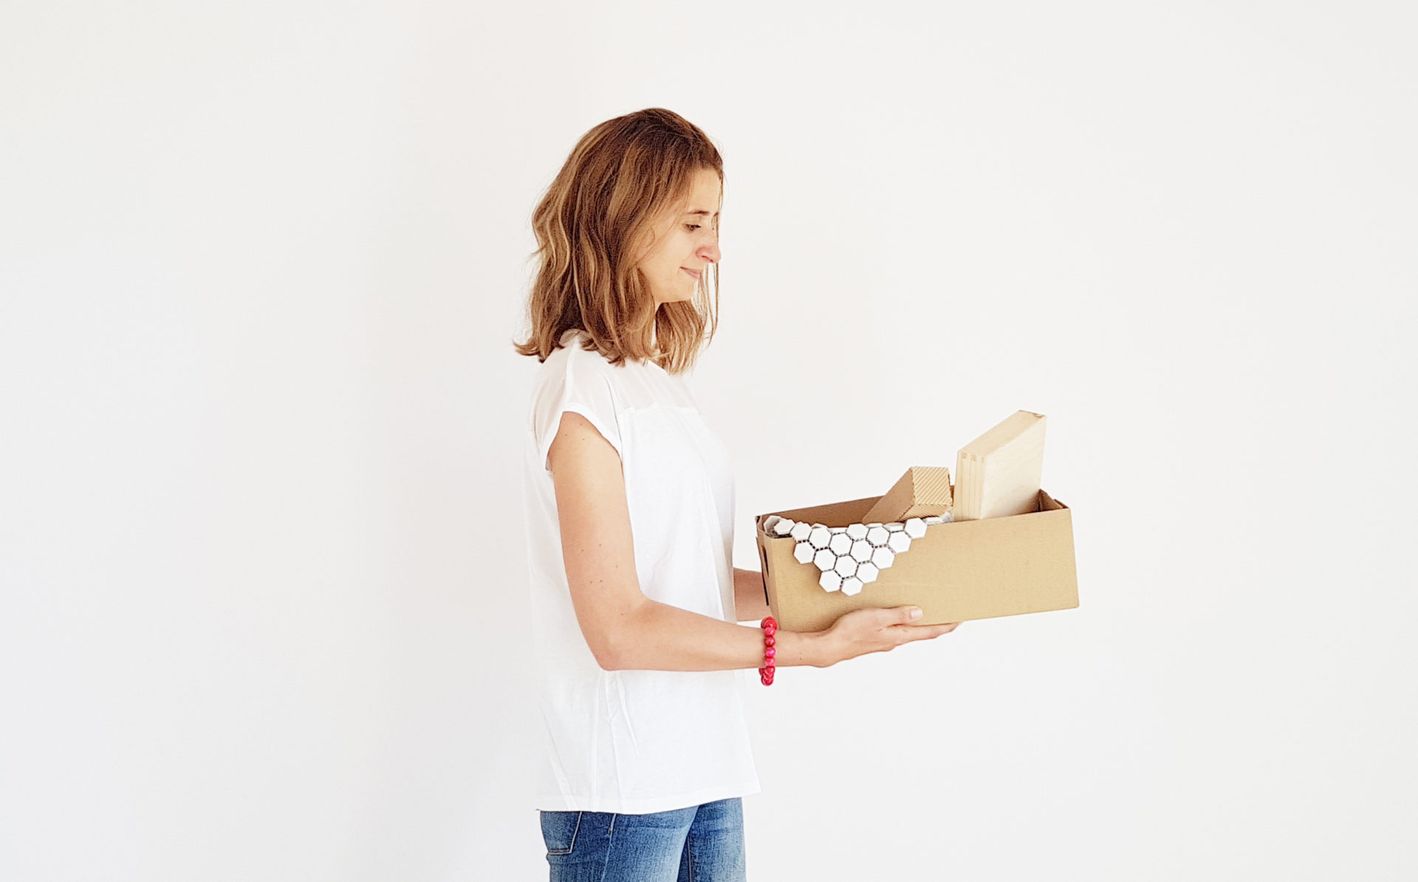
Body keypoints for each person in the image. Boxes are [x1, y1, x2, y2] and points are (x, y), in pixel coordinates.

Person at [513, 107, 960, 882]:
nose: (713, 249)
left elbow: (686, 581)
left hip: (705, 768)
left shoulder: (652, 384)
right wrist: (808, 649)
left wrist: (846, 585)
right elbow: (618, 627)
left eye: (715, 224)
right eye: (694, 224)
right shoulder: (582, 392)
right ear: (623, 220)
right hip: (623, 792)